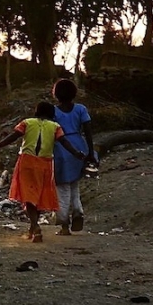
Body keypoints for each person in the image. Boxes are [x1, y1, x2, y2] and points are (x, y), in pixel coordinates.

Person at [0, 102, 86, 242]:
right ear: (52, 114)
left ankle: (35, 227)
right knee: (39, 196)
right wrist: (76, 153)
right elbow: (64, 142)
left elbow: (12, 137)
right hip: (45, 164)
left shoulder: (26, 122)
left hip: (26, 163)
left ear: (36, 111)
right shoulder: (55, 127)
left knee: (29, 196)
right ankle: (33, 228)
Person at [52, 79, 96, 235]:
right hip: (79, 145)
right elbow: (89, 132)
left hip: (61, 148)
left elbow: (50, 132)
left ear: (56, 94)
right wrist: (91, 152)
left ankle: (64, 224)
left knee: (62, 187)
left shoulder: (54, 111)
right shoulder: (80, 109)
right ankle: (78, 211)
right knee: (74, 184)